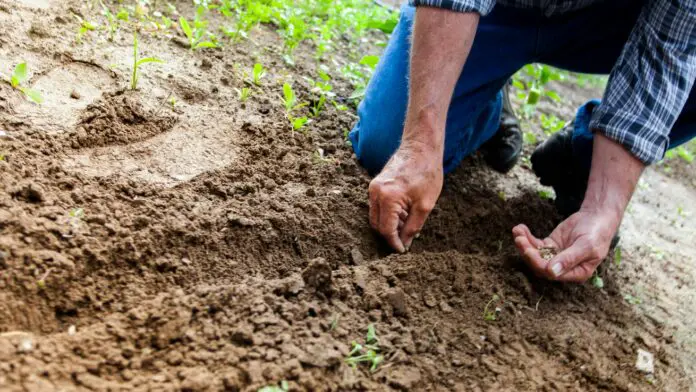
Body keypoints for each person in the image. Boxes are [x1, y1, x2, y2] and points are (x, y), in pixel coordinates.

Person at [348, 0, 696, 282]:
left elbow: (670, 49)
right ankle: (485, 104)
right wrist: (419, 145)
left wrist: (602, 208)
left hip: (609, 20)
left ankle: (584, 158)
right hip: (496, 11)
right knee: (387, 145)